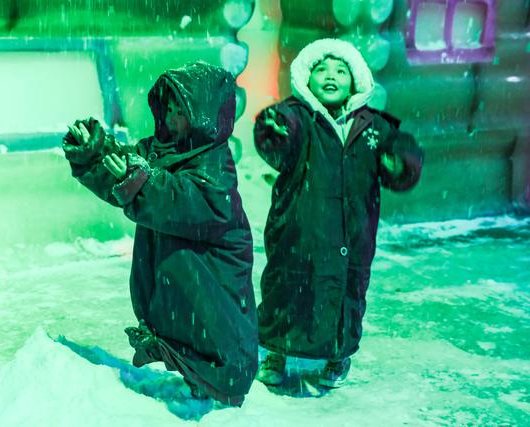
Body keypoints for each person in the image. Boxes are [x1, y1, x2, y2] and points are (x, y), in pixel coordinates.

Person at [62, 61, 258, 407]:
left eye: (180, 111)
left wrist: (141, 182)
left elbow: (186, 202)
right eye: (167, 108)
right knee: (186, 322)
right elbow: (125, 169)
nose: (170, 118)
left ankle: (217, 397)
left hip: (213, 275)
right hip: (182, 274)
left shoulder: (215, 164)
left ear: (204, 115)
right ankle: (197, 385)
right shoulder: (159, 150)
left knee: (217, 335)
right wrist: (96, 152)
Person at [254, 38, 424, 388]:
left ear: (355, 79)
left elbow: (402, 149)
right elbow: (275, 135)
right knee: (286, 291)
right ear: (306, 77)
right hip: (298, 234)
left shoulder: (374, 126)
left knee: (347, 293)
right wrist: (273, 128)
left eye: (341, 70)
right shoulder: (297, 118)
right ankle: (276, 352)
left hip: (353, 233)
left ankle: (337, 354)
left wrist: (399, 161)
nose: (330, 75)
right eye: (321, 69)